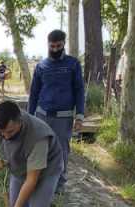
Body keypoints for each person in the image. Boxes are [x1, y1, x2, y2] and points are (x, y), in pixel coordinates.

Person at [28, 29, 85, 192]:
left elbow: (79, 90)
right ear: (48, 45)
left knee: (61, 150)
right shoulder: (41, 66)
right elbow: (34, 93)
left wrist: (79, 116)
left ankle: (59, 184)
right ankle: (39, 181)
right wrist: (29, 117)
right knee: (40, 149)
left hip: (63, 118)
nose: (55, 49)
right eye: (52, 46)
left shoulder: (73, 64)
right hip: (41, 116)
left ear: (64, 44)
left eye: (58, 46)